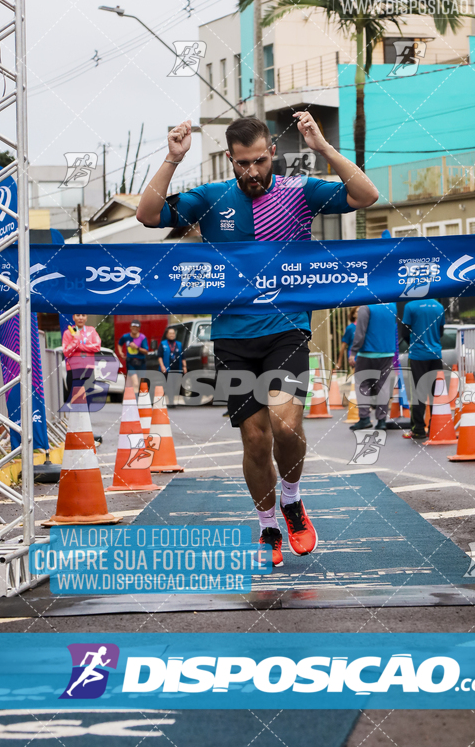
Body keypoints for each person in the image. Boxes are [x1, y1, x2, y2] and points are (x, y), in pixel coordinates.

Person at [137, 113, 378, 566]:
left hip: (286, 327)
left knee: (286, 424)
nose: (252, 172)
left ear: (273, 154)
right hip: (231, 335)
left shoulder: (299, 192)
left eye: (259, 161)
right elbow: (148, 214)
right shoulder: (211, 199)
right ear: (230, 160)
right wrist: (173, 159)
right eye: (242, 163)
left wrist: (323, 147)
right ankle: (268, 524)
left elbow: (367, 195)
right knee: (254, 438)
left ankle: (292, 499)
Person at [400, 299, 445, 441]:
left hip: (418, 355)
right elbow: (441, 331)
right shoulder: (439, 306)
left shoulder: (410, 306)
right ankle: (435, 428)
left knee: (418, 393)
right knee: (435, 393)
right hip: (435, 354)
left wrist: (415, 343)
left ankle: (418, 430)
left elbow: (405, 332)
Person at [348, 303, 397, 431]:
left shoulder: (366, 307)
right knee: (383, 386)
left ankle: (364, 419)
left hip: (368, 353)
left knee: (363, 385)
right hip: (387, 352)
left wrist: (353, 352)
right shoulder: (392, 306)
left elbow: (360, 332)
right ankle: (381, 421)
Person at [62, 313, 101, 402]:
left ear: (86, 317)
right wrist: (75, 341)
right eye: (78, 315)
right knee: (75, 399)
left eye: (83, 315)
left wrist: (79, 346)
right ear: (73, 317)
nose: (80, 318)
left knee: (88, 398)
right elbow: (66, 352)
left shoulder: (91, 330)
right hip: (73, 369)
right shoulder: (68, 333)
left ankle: (87, 416)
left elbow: (97, 346)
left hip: (88, 368)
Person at [157, 327, 187, 408]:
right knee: (169, 384)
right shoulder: (163, 344)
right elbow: (159, 356)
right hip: (167, 369)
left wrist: (184, 366)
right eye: (170, 333)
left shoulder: (179, 344)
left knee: (176, 385)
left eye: (173, 333)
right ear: (167, 335)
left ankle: (172, 399)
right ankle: (171, 401)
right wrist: (162, 366)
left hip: (177, 368)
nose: (172, 335)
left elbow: (183, 356)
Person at [117, 320, 149, 387]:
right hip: (130, 362)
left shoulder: (142, 337)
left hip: (141, 362)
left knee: (141, 384)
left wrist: (136, 348)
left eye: (137, 327)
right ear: (130, 327)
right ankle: (135, 397)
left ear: (139, 329)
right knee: (135, 383)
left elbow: (146, 351)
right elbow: (119, 344)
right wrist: (120, 352)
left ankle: (137, 396)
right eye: (133, 327)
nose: (135, 328)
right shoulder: (126, 337)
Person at [336, 306, 358, 371]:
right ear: (353, 315)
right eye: (357, 312)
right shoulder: (350, 328)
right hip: (354, 357)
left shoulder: (367, 326)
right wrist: (339, 362)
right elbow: (343, 345)